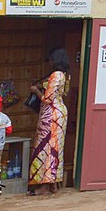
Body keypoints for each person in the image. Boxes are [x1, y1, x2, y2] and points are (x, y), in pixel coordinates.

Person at [28, 47, 70, 195]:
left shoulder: (55, 75)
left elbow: (47, 99)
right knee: (55, 148)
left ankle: (44, 185)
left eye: (51, 59)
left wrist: (36, 91)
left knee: (45, 147)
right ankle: (53, 183)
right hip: (59, 113)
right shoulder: (65, 75)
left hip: (51, 115)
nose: (50, 62)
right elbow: (63, 93)